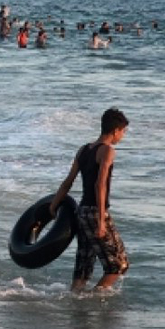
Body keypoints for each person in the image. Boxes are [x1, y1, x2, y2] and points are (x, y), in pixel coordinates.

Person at [49, 108, 130, 292]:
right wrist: (101, 221)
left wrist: (53, 206)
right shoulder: (108, 151)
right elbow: (99, 185)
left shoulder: (84, 149)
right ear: (116, 130)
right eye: (123, 132)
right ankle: (92, 299)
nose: (122, 136)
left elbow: (68, 182)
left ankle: (76, 302)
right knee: (119, 265)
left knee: (83, 269)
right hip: (95, 213)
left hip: (82, 212)